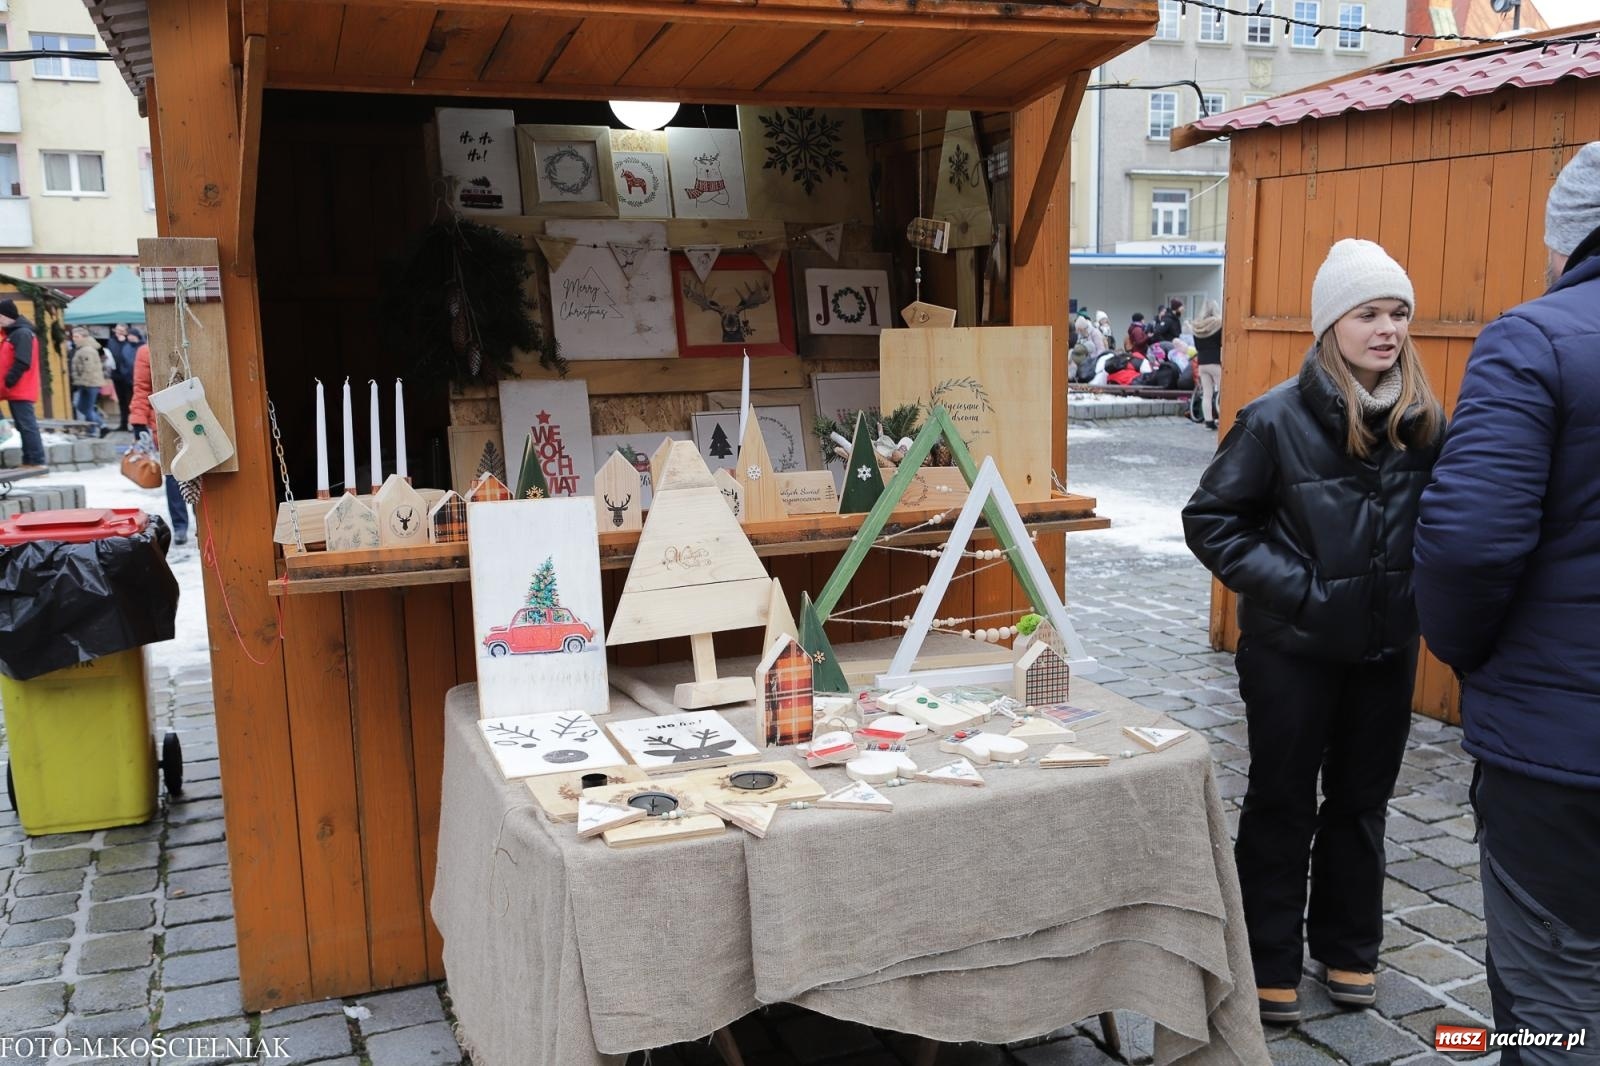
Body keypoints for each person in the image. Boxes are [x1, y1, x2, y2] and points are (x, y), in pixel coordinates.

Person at [1182, 239, 1443, 1025]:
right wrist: (1303, 592)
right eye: (1369, 312)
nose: (1387, 328)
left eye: (1398, 313)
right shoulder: (1272, 420)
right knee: (1282, 801)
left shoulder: (1423, 423)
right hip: (1291, 651)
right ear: (1333, 324)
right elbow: (1211, 520)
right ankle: (1267, 960)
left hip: (1384, 651)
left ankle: (1348, 947)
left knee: (1362, 803)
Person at [1413, 144, 1600, 1060]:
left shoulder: (1537, 338)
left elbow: (1466, 548)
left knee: (1560, 1002)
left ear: (1568, 242)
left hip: (1564, 759)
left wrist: (1470, 658)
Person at [129, 340, 190, 545]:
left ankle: (204, 525)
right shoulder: (146, 351)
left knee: (203, 471)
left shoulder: (188, 343)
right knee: (173, 475)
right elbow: (141, 388)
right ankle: (180, 526)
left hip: (192, 413)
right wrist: (138, 421)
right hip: (164, 422)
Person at [0, 299, 46, 469]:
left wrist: (9, 380)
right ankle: (30, 459)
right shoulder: (13, 333)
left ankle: (37, 461)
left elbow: (22, 361)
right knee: (23, 425)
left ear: (6, 316)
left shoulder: (21, 333)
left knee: (27, 426)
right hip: (14, 388)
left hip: (20, 387)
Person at [1192, 299, 1223, 429]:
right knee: (1223, 393)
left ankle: (1208, 421)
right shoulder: (1219, 325)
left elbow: (1197, 346)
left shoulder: (1197, 327)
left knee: (1207, 394)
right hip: (1215, 362)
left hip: (1202, 363)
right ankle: (1223, 419)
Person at [69, 326, 107, 433]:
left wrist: (84, 383)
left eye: (77, 336)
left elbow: (88, 368)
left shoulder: (87, 350)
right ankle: (97, 427)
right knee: (82, 407)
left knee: (87, 408)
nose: (74, 338)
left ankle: (98, 428)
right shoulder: (83, 349)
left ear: (84, 337)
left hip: (89, 384)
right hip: (87, 383)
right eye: (73, 336)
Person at [106, 323, 139, 431]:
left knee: (131, 401)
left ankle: (134, 424)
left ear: (126, 331)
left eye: (122, 330)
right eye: (117, 330)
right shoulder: (111, 341)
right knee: (121, 402)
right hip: (117, 375)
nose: (119, 332)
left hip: (129, 376)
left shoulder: (129, 342)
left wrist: (124, 342)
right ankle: (123, 424)